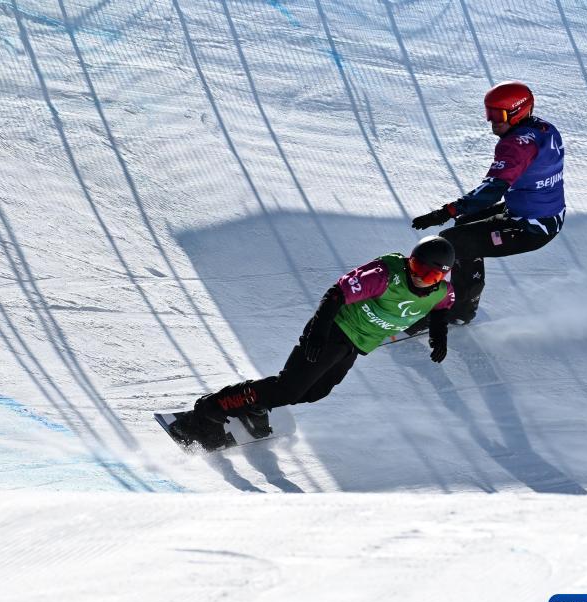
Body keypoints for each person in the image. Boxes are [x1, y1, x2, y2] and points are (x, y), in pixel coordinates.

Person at [169, 236, 457, 451]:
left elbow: (443, 305)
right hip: (333, 328)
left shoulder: (440, 291)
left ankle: (255, 402)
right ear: (409, 261)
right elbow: (336, 294)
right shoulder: (385, 275)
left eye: (430, 274)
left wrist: (439, 333)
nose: (420, 277)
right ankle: (210, 410)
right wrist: (319, 332)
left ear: (441, 276)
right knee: (288, 388)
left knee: (315, 391)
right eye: (417, 267)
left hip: (356, 342)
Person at [411, 80, 565, 323]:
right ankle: (467, 299)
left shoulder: (516, 145)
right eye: (489, 112)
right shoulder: (544, 129)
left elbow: (491, 191)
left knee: (452, 242)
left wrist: (445, 211)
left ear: (518, 112)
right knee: (464, 226)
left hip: (531, 226)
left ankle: (460, 311)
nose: (492, 121)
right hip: (540, 210)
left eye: (498, 114)